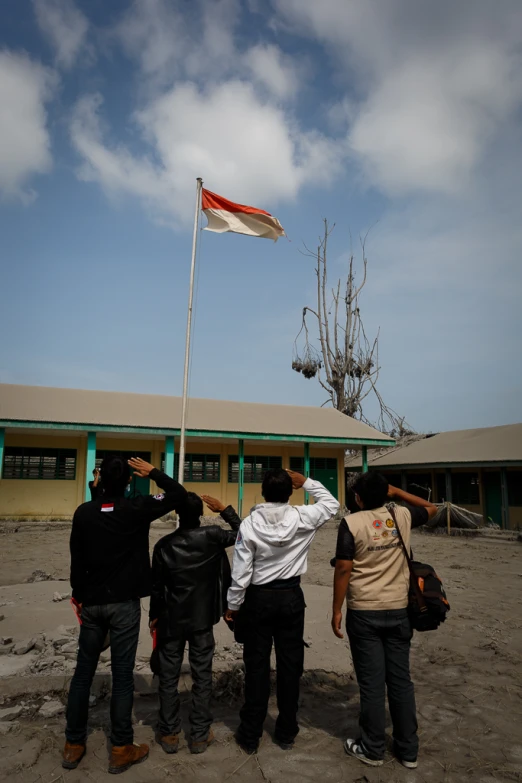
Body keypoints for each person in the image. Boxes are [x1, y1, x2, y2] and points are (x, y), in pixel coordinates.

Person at [63, 455, 187, 775]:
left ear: (99, 480)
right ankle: (120, 748)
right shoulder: (136, 508)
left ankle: (73, 744)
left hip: (90, 605)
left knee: (83, 674)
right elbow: (178, 495)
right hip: (124, 606)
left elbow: (77, 555)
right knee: (121, 676)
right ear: (130, 481)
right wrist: (154, 472)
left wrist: (78, 595)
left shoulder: (84, 512)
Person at [225, 468, 340, 753]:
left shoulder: (249, 524)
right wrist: (308, 482)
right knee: (290, 667)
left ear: (263, 493)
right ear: (291, 492)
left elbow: (241, 571)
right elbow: (332, 505)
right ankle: (287, 731)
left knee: (256, 667)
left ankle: (251, 734)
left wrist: (233, 605)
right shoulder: (303, 516)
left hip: (258, 599)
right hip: (290, 597)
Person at [331, 472, 438, 770]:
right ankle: (408, 750)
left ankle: (373, 748)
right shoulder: (401, 515)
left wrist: (336, 609)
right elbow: (432, 508)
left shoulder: (351, 523)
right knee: (401, 681)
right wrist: (397, 493)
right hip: (399, 609)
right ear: (385, 494)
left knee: (372, 683)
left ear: (358, 498)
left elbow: (343, 569)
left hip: (365, 611)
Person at [149, 492, 240, 755]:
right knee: (202, 676)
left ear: (177, 514)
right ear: (200, 514)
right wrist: (225, 510)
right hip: (202, 620)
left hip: (170, 620)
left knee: (168, 677)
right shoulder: (212, 536)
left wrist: (154, 617)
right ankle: (199, 735)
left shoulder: (164, 546)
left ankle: (169, 733)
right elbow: (245, 533)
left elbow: (156, 588)